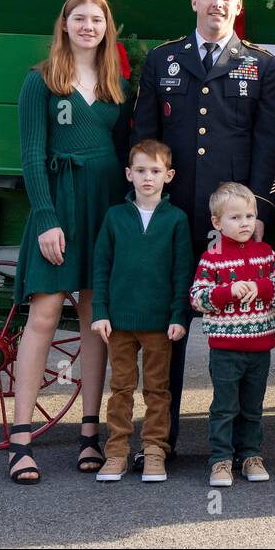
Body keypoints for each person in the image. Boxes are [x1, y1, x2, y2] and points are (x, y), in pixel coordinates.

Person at [131, 0, 275, 459]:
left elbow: (271, 144)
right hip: (174, 216)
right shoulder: (162, 60)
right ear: (193, 2)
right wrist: (147, 205)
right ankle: (161, 438)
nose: (217, 4)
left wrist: (259, 210)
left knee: (244, 326)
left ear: (238, 7)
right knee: (169, 324)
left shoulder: (261, 65)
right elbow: (144, 136)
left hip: (237, 223)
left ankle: (244, 443)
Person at [7, 0, 133, 484]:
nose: (87, 26)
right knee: (43, 313)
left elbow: (126, 154)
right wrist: (45, 218)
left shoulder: (115, 85)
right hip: (59, 206)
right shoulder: (41, 82)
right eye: (78, 18)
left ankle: (88, 433)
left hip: (104, 208)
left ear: (106, 27)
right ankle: (20, 439)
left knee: (93, 316)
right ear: (64, 25)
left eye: (96, 19)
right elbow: (32, 154)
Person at [89, 139, 193, 483]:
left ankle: (153, 452)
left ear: (169, 175)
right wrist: (100, 312)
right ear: (128, 174)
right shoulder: (115, 217)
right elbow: (101, 267)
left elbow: (182, 273)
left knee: (157, 390)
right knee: (120, 388)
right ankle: (116, 452)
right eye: (141, 171)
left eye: (155, 171)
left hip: (159, 325)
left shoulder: (176, 220)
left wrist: (179, 316)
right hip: (118, 323)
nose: (148, 177)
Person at [189, 182, 275, 487]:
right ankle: (220, 459)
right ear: (217, 223)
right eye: (235, 217)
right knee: (224, 405)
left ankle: (250, 455)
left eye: (249, 215)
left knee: (252, 406)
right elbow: (197, 297)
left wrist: (261, 287)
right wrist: (227, 292)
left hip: (260, 346)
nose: (244, 222)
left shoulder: (265, 253)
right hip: (225, 348)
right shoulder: (212, 258)